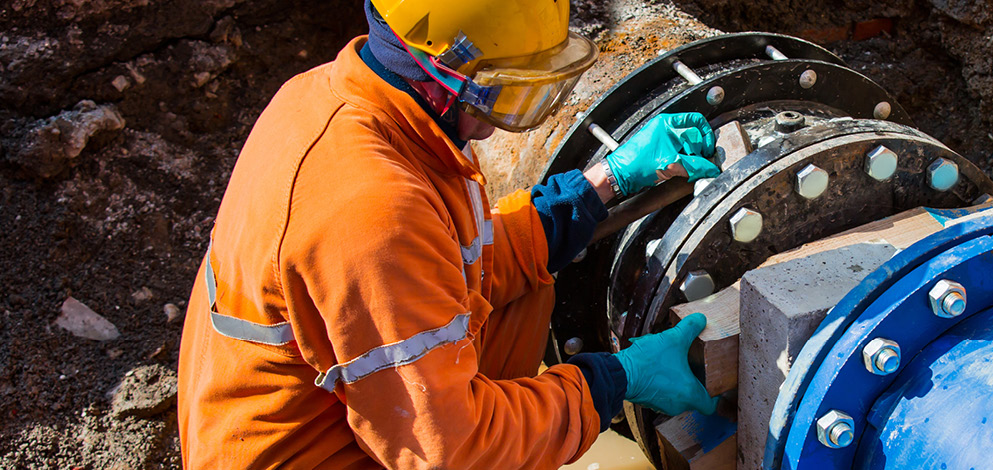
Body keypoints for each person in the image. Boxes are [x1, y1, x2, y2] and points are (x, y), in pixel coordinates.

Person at [176, 0, 722, 468]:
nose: (496, 124)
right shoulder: (371, 213)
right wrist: (614, 381)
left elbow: (453, 264)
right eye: (505, 93)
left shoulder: (343, 103)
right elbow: (448, 453)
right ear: (443, 71)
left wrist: (602, 183)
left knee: (530, 292)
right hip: (313, 454)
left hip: (328, 412)